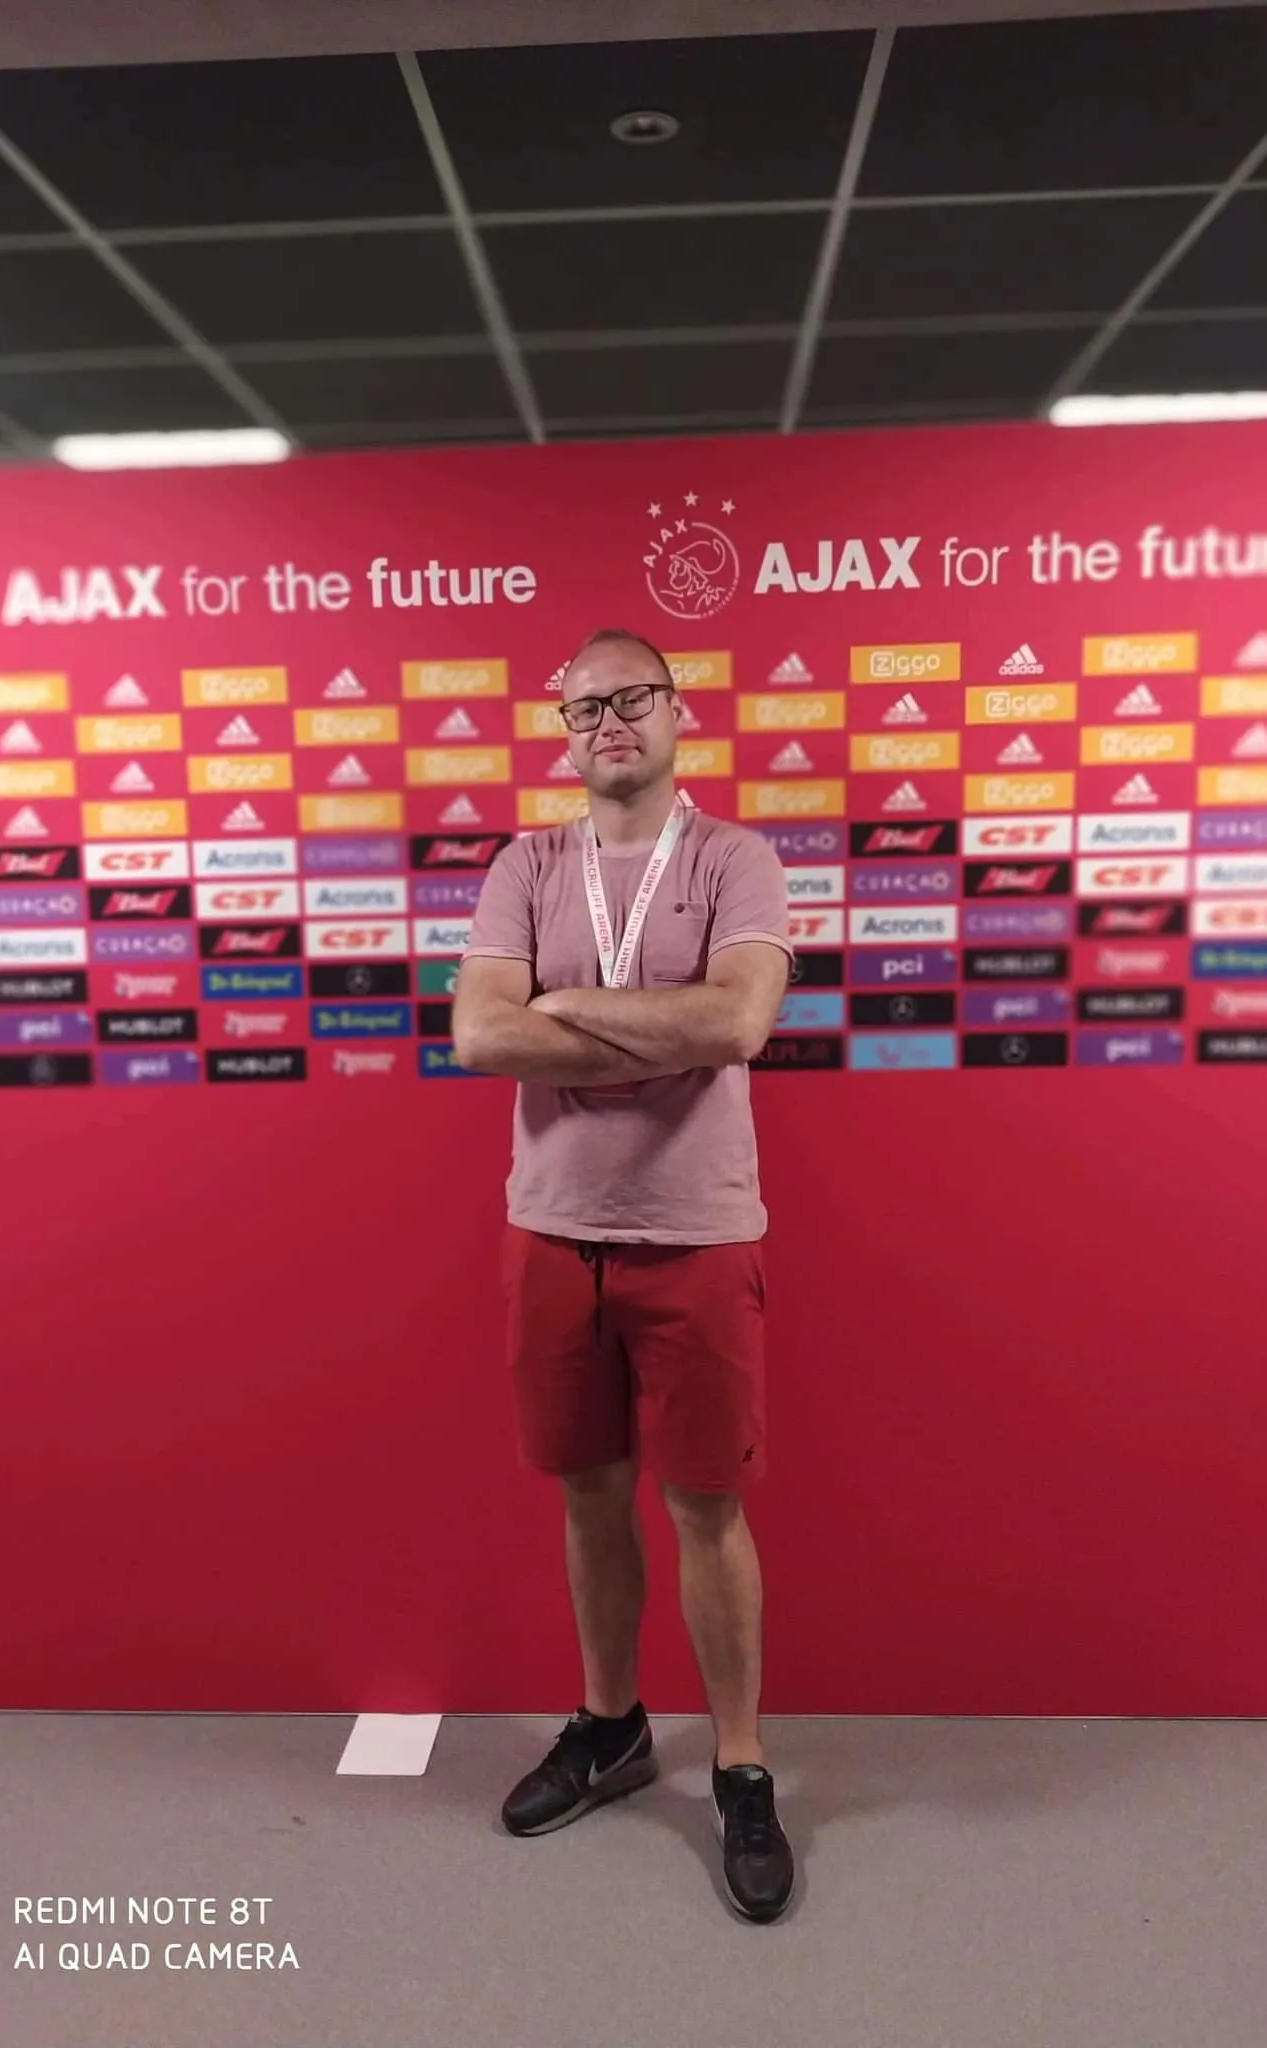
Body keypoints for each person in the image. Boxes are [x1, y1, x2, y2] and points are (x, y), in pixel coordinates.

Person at [451, 626, 796, 1924]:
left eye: (632, 697)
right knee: (591, 1496)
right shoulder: (526, 865)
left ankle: (743, 1766)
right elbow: (480, 1034)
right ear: (564, 731)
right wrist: (656, 1032)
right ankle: (613, 1726)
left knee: (706, 1507)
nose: (609, 721)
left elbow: (737, 1020)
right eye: (584, 706)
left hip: (697, 1231)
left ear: (677, 710)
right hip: (552, 1230)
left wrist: (561, 1008)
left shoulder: (734, 860)